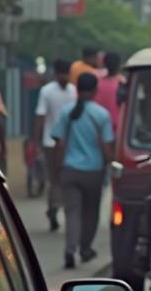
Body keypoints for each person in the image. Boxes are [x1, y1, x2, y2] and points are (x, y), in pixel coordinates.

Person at [52, 72, 114, 268]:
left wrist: (57, 168)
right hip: (93, 172)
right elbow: (106, 146)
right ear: (96, 91)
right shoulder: (101, 114)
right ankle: (85, 248)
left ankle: (70, 250)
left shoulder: (66, 112)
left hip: (70, 170)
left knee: (72, 213)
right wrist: (110, 165)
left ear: (77, 89)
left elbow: (59, 142)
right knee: (90, 212)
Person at [34, 59, 77, 231]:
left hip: (69, 142)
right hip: (51, 142)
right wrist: (37, 142)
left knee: (61, 178)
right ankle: (54, 207)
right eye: (62, 74)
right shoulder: (47, 91)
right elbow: (41, 117)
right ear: (56, 74)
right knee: (55, 178)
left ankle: (56, 207)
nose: (64, 77)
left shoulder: (73, 91)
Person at [95, 51, 124, 137]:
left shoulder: (97, 82)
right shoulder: (123, 83)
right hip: (117, 129)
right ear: (119, 65)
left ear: (104, 64)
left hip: (98, 127)